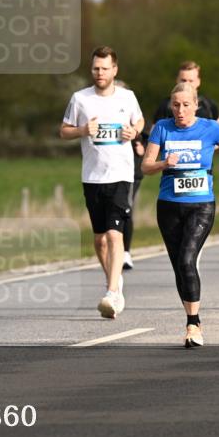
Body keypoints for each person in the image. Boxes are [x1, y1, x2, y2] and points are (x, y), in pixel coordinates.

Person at [142, 83, 219, 347]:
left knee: (187, 260)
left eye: (186, 105)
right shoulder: (162, 127)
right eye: (176, 105)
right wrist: (164, 163)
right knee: (179, 266)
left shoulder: (210, 127)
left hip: (201, 205)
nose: (180, 110)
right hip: (169, 205)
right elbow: (146, 165)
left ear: (196, 105)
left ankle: (193, 323)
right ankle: (191, 317)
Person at [60, 46, 144, 318]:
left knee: (114, 234)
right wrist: (83, 130)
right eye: (96, 68)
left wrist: (135, 130)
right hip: (92, 177)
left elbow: (139, 120)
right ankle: (114, 280)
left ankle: (111, 292)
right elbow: (64, 131)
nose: (99, 73)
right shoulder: (80, 99)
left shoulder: (127, 97)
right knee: (99, 240)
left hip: (120, 174)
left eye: (105, 68)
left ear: (114, 70)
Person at [150, 61, 219, 126]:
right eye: (183, 80)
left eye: (190, 81)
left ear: (198, 81)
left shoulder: (209, 105)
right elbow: (154, 133)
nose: (187, 84)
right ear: (177, 80)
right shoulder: (166, 105)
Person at [123, 128, 149, 271]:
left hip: (131, 174)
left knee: (126, 209)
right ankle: (115, 247)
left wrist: (142, 148)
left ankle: (125, 252)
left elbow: (151, 140)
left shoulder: (137, 122)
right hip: (108, 173)